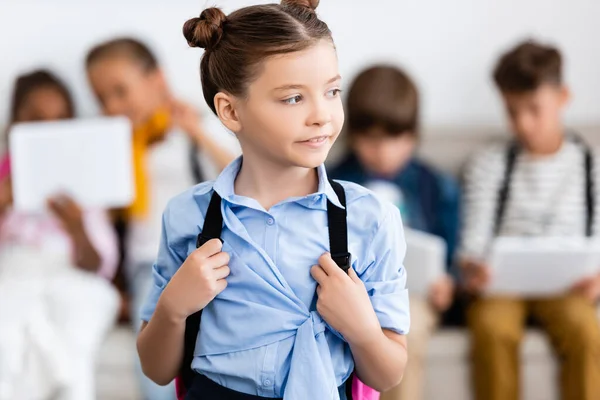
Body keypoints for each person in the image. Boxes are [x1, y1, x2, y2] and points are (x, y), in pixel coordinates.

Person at [136, 1, 411, 399]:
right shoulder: (189, 217)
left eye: (332, 91)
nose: (322, 115)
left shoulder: (370, 220)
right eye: (293, 98)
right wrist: (173, 308)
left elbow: (387, 375)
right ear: (230, 111)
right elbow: (156, 369)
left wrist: (362, 329)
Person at [85, 38, 237, 399]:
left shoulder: (196, 126)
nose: (113, 106)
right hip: (148, 266)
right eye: (102, 98)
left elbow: (243, 175)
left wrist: (196, 132)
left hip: (202, 259)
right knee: (154, 353)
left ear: (157, 80)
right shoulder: (114, 148)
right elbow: (109, 225)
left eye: (121, 91)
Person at [459, 40, 600, 400]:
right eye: (512, 110)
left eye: (534, 109)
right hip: (503, 288)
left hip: (568, 289)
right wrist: (473, 268)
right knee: (492, 327)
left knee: (586, 329)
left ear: (563, 97)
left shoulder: (591, 165)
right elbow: (472, 241)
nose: (522, 123)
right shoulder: (488, 163)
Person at [330, 65, 460, 400]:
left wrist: (450, 284)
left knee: (407, 325)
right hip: (355, 293)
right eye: (371, 140)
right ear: (352, 134)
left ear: (413, 135)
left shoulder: (435, 185)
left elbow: (454, 251)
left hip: (414, 296)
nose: (384, 152)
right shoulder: (333, 182)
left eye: (396, 139)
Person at [0, 70, 119, 400]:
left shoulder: (87, 189)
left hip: (71, 277)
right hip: (14, 276)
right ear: (15, 124)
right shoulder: (3, 180)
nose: (49, 130)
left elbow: (97, 267)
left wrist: (76, 227)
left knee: (79, 317)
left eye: (60, 119)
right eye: (37, 119)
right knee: (7, 330)